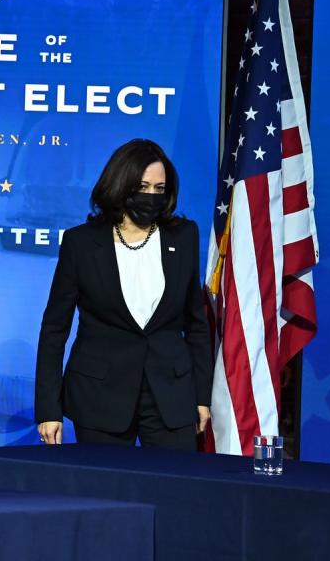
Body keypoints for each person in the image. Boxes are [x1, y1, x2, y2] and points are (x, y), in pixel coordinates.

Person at [35, 138, 212, 450]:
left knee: (176, 492)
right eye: (143, 186)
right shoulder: (81, 243)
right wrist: (49, 409)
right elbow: (54, 329)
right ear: (120, 185)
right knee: (106, 493)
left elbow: (196, 324)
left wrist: (202, 397)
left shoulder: (183, 237)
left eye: (160, 189)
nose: (152, 196)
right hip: (100, 397)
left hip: (170, 396)